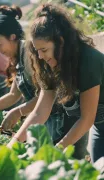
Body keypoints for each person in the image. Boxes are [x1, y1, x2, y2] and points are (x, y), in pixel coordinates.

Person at [8, 3, 104, 163]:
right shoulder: (51, 64)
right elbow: (39, 112)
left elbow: (86, 119)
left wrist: (57, 150)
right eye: (37, 50)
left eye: (44, 50)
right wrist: (12, 145)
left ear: (61, 42)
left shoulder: (88, 60)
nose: (40, 57)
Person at [0, 5, 65, 144]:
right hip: (42, 119)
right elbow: (13, 95)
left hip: (57, 119)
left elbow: (45, 95)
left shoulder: (30, 54)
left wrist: (18, 112)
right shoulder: (17, 58)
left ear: (12, 37)